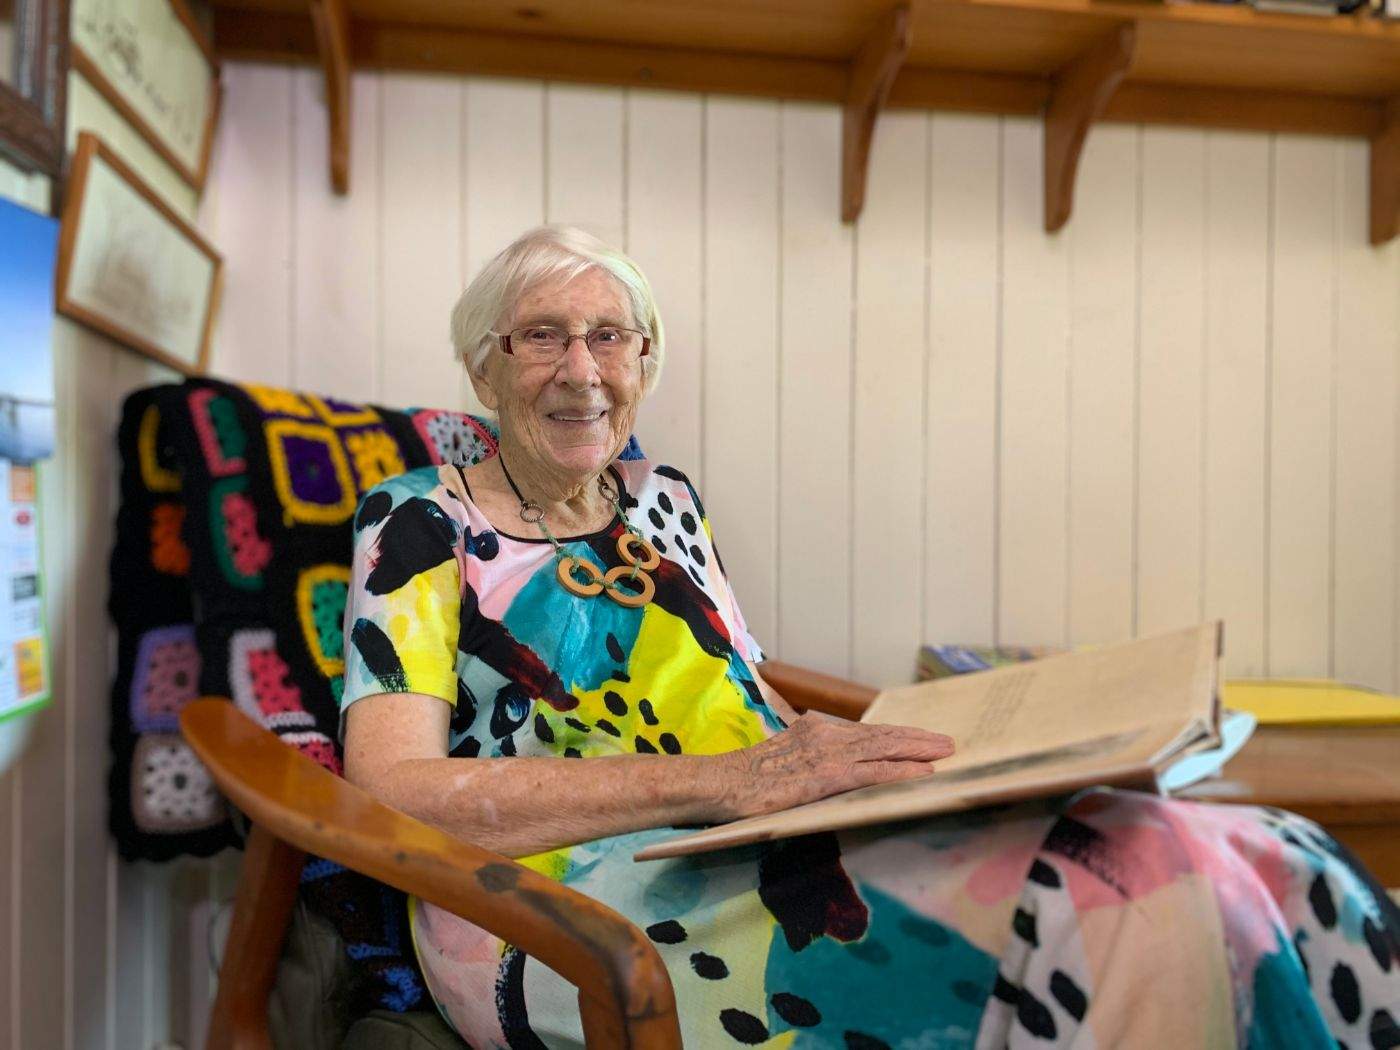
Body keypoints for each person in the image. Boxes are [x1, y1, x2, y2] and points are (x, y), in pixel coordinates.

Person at [341, 225, 1399, 1048]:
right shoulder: (421, 525)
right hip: (557, 905)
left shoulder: (661, 498)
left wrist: (916, 764)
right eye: (542, 336)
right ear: (483, 370)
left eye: (609, 335)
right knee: (1110, 891)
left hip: (759, 839)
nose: (582, 368)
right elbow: (392, 791)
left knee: (1260, 847)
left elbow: (744, 695)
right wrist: (734, 781)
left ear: (644, 361)